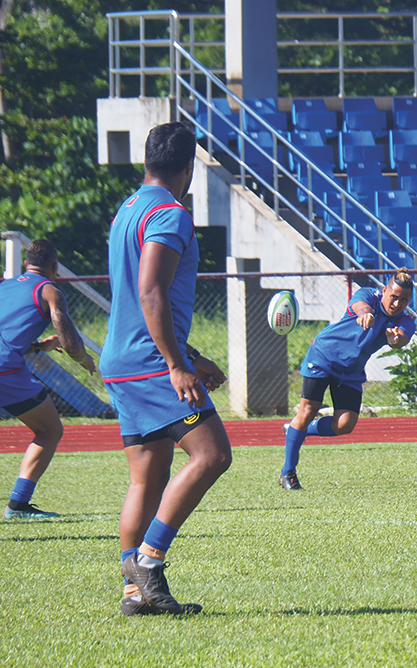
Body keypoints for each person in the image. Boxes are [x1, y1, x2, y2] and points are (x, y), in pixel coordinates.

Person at [100, 121, 232, 616]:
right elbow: (151, 291)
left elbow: (142, 300)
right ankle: (149, 563)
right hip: (151, 362)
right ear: (189, 168)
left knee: (148, 477)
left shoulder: (127, 209)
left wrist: (193, 356)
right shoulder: (171, 213)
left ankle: (135, 594)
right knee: (213, 454)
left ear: (148, 160)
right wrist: (178, 365)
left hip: (122, 358)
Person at [280, 270, 416, 490]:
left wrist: (396, 339)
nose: (398, 303)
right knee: (307, 410)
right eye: (394, 296)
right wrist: (365, 314)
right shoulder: (368, 296)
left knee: (345, 424)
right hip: (323, 356)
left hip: (351, 371)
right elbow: (360, 306)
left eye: (404, 300)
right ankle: (288, 472)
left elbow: (402, 337)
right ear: (384, 291)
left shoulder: (404, 319)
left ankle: (297, 429)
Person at [1, 239, 97, 520]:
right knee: (49, 431)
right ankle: (18, 505)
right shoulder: (49, 291)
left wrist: (40, 346)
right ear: (55, 267)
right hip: (5, 371)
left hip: (7, 363)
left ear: (24, 265)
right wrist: (83, 359)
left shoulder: (5, 286)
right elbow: (73, 345)